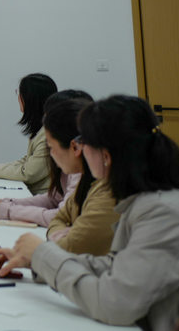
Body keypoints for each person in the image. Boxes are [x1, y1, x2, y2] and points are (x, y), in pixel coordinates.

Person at [0, 95, 179, 331]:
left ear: (106, 156)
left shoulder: (163, 210)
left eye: (84, 142)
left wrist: (43, 255)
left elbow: (114, 303)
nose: (80, 149)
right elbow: (116, 265)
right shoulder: (144, 197)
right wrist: (37, 260)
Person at [0, 90, 91, 228]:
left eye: (51, 147)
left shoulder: (81, 171)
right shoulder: (72, 163)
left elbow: (61, 217)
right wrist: (9, 203)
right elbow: (54, 198)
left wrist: (8, 210)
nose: (51, 153)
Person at [43, 98, 118, 255]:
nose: (51, 154)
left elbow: (69, 248)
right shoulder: (89, 182)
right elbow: (59, 218)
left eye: (51, 147)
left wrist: (62, 236)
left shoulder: (110, 192)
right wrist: (65, 233)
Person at [0, 73, 57, 194]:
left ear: (30, 99)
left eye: (20, 93)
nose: (18, 97)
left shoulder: (48, 134)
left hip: (41, 197)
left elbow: (27, 173)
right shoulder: (41, 129)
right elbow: (26, 161)